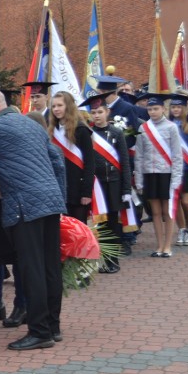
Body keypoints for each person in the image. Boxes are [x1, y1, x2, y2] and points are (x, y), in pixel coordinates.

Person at [0, 88, 67, 349]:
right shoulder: (32, 123)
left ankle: (39, 332)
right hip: (50, 202)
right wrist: (60, 199)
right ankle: (53, 326)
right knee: (49, 267)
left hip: (24, 206)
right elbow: (57, 161)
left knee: (30, 267)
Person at [83, 93, 132, 273]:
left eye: (100, 111)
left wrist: (126, 188)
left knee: (113, 222)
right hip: (98, 185)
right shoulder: (88, 133)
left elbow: (125, 162)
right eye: (93, 112)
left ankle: (114, 260)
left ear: (107, 112)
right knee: (100, 224)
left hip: (114, 183)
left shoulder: (117, 133)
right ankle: (103, 259)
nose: (96, 115)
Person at [134, 94, 183, 257]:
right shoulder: (143, 128)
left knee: (167, 211)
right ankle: (159, 246)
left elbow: (177, 155)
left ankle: (168, 246)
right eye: (149, 109)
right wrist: (139, 180)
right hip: (149, 174)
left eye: (156, 109)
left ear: (163, 109)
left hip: (166, 174)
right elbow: (139, 155)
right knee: (154, 212)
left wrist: (176, 179)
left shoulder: (171, 127)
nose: (153, 112)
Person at [48, 91, 95, 223]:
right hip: (58, 188)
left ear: (68, 106)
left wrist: (86, 192)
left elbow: (89, 163)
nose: (56, 109)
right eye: (53, 106)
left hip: (77, 189)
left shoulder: (81, 130)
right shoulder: (51, 130)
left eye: (60, 105)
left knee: (78, 229)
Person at [167, 93, 188, 246]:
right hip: (171, 169)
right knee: (176, 201)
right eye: (173, 107)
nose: (176, 109)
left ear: (184, 108)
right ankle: (182, 229)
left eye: (178, 107)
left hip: (187, 169)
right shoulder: (167, 125)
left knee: (187, 202)